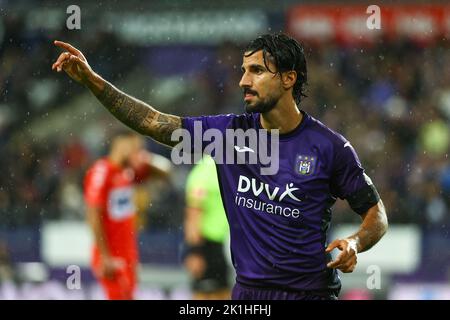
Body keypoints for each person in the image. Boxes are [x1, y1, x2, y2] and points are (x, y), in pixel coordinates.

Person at [52, 33, 388, 300]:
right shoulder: (227, 134)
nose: (243, 80)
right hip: (247, 295)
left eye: (256, 71)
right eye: (243, 70)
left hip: (309, 294)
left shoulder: (330, 147)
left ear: (289, 78)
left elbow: (376, 215)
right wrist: (93, 81)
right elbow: (153, 123)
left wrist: (355, 243)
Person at [83, 130, 171, 300]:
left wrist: (146, 158)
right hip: (111, 255)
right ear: (121, 145)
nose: (138, 152)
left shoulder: (128, 172)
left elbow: (166, 171)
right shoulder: (103, 171)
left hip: (128, 252)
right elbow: (93, 214)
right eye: (135, 147)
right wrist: (105, 256)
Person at [184, 155, 231, 300]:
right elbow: (193, 215)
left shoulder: (226, 166)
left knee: (224, 292)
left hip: (224, 244)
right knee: (205, 295)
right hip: (208, 245)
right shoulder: (204, 171)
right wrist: (195, 251)